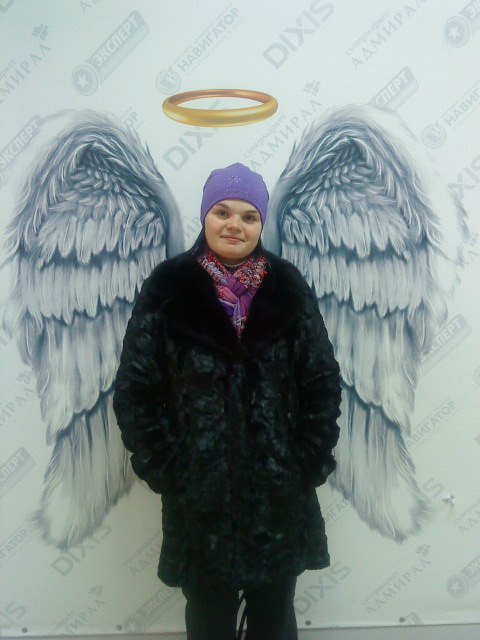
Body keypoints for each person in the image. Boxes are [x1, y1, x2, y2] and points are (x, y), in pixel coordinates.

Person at [112, 162, 342, 640]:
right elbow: (136, 388)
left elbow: (320, 380)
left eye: (249, 216)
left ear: (261, 223)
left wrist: (306, 461)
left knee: (274, 621)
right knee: (208, 622)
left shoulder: (287, 285)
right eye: (223, 212)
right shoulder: (168, 286)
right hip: (201, 498)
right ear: (205, 216)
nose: (235, 225)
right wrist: (167, 467)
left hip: (278, 496)